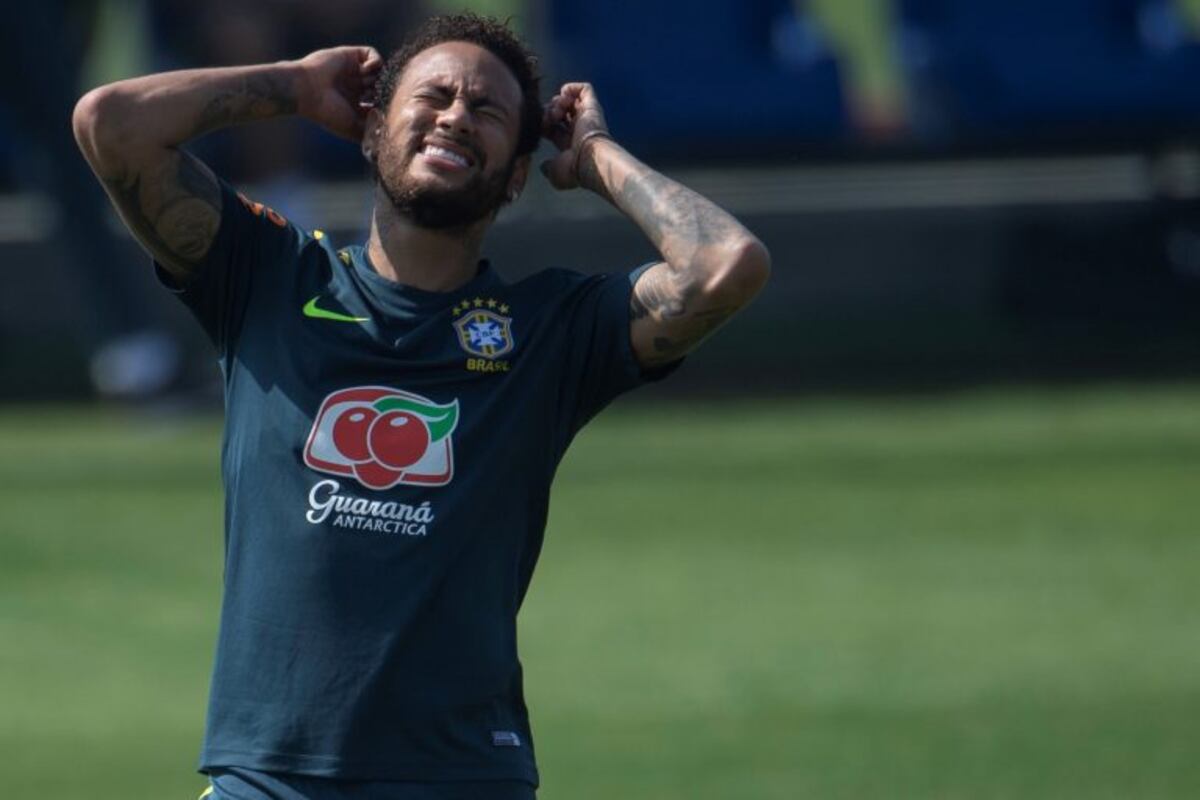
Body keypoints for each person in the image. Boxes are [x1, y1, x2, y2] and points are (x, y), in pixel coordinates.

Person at [72, 12, 769, 800]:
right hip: (267, 779)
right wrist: (296, 87)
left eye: (487, 112)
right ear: (372, 130)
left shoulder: (552, 332)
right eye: (432, 96)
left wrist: (596, 158)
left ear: (514, 175)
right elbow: (110, 123)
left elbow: (724, 264)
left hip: (461, 779)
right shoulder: (266, 278)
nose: (454, 116)